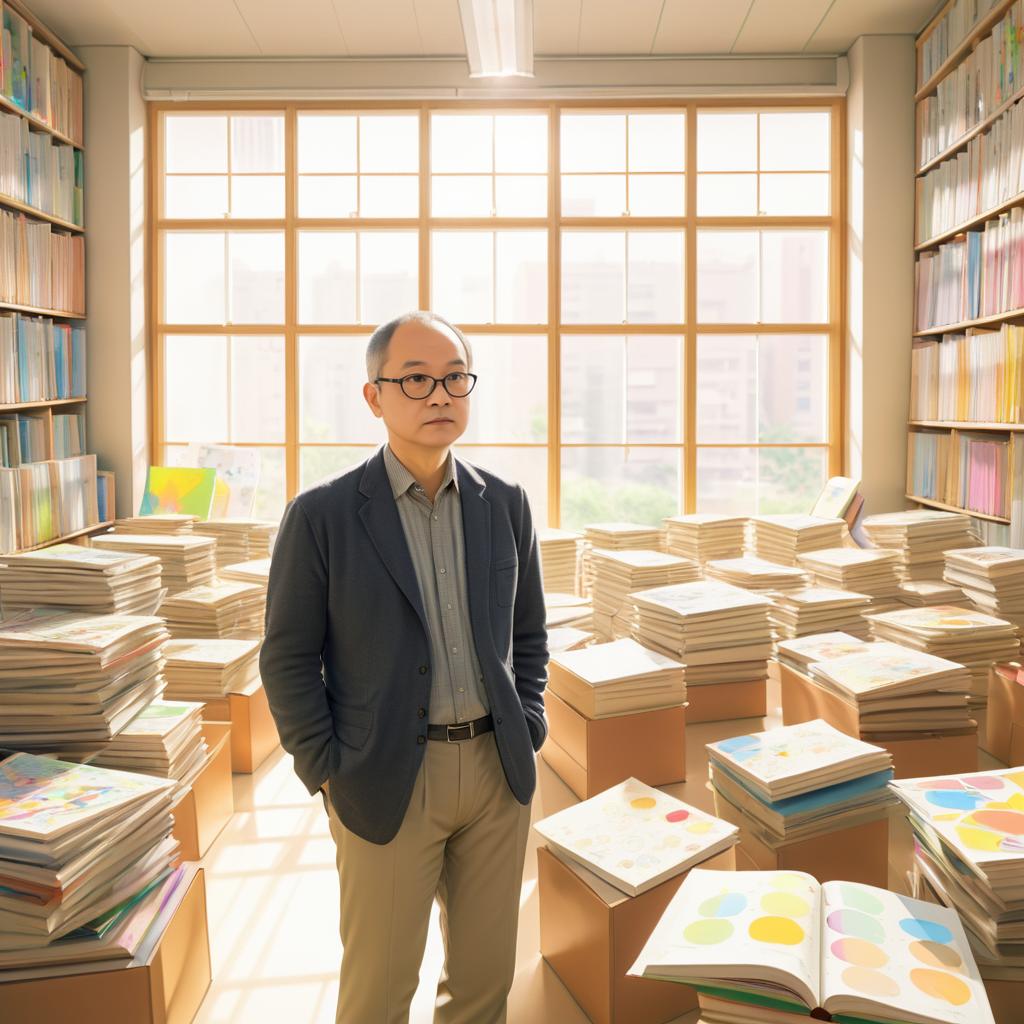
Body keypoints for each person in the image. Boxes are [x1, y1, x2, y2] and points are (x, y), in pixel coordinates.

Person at [260, 310, 549, 1024]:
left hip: (495, 776)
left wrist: (531, 721)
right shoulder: (322, 515)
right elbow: (288, 657)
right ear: (374, 396)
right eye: (415, 379)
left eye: (455, 378)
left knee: (484, 985)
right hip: (384, 777)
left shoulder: (505, 504)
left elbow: (530, 631)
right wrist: (327, 766)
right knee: (379, 989)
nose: (439, 395)